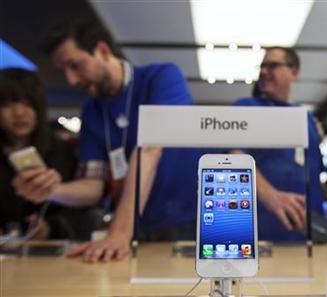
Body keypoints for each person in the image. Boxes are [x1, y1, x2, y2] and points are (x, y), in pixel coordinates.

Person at [13, 20, 201, 261]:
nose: (71, 80)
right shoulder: (92, 110)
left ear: (102, 51)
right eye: (64, 71)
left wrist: (120, 233)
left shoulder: (161, 77)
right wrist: (51, 190)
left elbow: (151, 149)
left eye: (75, 65)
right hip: (136, 226)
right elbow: (93, 185)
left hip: (183, 220)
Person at [232, 47, 326, 241]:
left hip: (307, 232)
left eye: (272, 65)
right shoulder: (247, 107)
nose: (264, 72)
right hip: (262, 232)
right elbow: (234, 157)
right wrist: (271, 196)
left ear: (294, 72)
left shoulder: (306, 118)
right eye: (262, 66)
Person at [0, 68, 78, 240]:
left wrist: (50, 228)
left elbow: (79, 210)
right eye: (7, 104)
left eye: (28, 103)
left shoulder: (62, 152)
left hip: (50, 252)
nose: (19, 113)